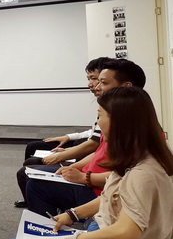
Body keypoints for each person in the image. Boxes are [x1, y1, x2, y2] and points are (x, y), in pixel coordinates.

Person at [0, 86, 173, 239]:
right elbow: (111, 198)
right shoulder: (140, 156)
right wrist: (73, 214)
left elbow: (127, 233)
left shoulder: (143, 173)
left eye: (100, 116)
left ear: (119, 121)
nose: (98, 123)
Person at [25, 58, 147, 219]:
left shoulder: (134, 128)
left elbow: (125, 179)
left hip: (99, 191)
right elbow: (99, 153)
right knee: (33, 175)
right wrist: (75, 168)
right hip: (94, 183)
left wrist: (84, 178)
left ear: (126, 87)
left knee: (36, 184)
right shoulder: (119, 120)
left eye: (102, 82)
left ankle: (50, 229)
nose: (96, 86)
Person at [14, 57, 110, 207]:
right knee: (33, 148)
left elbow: (94, 146)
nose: (93, 85)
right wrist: (68, 138)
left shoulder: (120, 117)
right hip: (87, 161)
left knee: (29, 171)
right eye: (90, 79)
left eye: (98, 80)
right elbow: (94, 135)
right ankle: (32, 200)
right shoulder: (107, 109)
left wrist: (65, 159)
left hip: (92, 179)